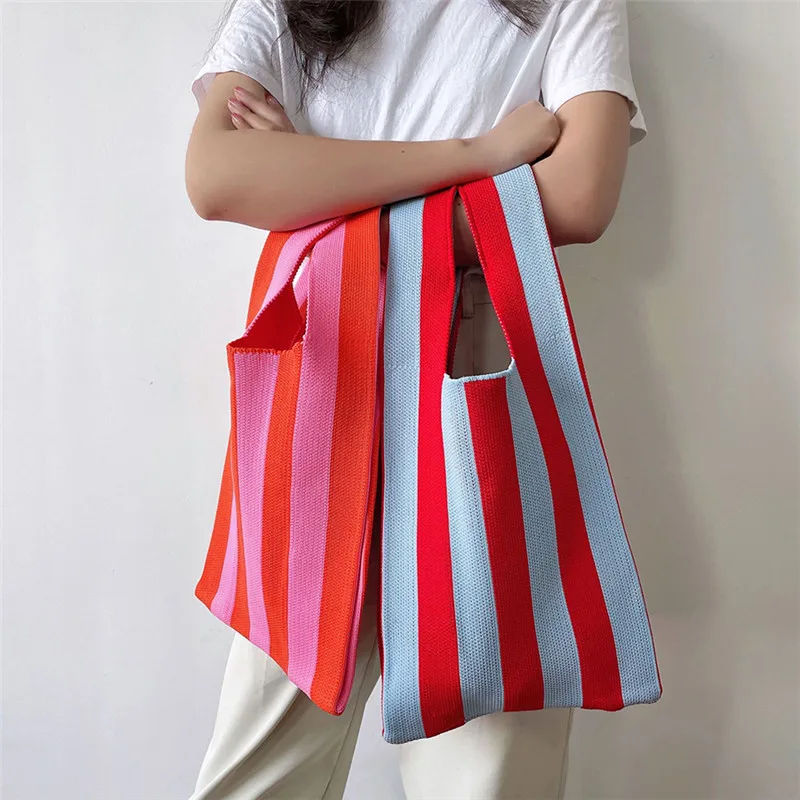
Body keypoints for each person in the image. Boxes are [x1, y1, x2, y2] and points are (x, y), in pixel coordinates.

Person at [185, 1, 646, 798]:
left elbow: (578, 197)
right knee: (267, 744)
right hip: (321, 366)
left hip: (473, 362)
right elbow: (218, 178)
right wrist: (481, 155)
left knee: (486, 751)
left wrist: (318, 184)